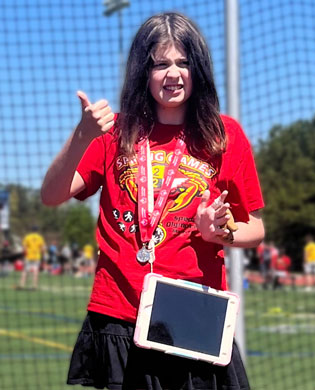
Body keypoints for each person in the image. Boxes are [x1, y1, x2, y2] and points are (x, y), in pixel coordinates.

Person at [41, 12, 265, 390]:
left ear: (199, 70)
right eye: (160, 64)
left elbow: (256, 229)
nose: (173, 74)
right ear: (142, 72)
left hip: (193, 315)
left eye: (183, 62)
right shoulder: (113, 134)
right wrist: (82, 135)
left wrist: (220, 233)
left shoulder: (226, 135)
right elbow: (50, 196)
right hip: (119, 313)